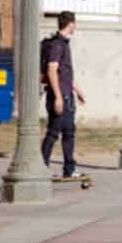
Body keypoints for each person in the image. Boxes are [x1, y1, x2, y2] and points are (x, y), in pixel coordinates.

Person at [41, 11, 85, 178]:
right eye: (74, 23)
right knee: (53, 132)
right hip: (60, 96)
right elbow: (52, 71)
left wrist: (78, 91)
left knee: (69, 132)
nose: (75, 26)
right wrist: (58, 97)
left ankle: (69, 168)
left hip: (67, 94)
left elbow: (64, 74)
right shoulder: (57, 45)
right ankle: (42, 166)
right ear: (71, 24)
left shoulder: (63, 43)